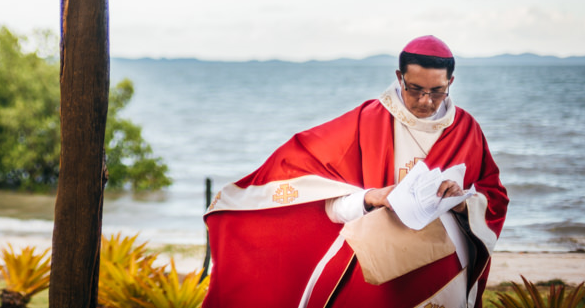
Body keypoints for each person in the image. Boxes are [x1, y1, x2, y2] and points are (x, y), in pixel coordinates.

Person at [202, 35, 508, 308]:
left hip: (447, 270)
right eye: (415, 89)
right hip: (380, 272)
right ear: (399, 77)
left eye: (436, 91)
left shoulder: (467, 129)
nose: (425, 101)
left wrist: (463, 200)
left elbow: (493, 196)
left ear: (450, 83)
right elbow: (327, 202)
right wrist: (370, 197)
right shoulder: (366, 123)